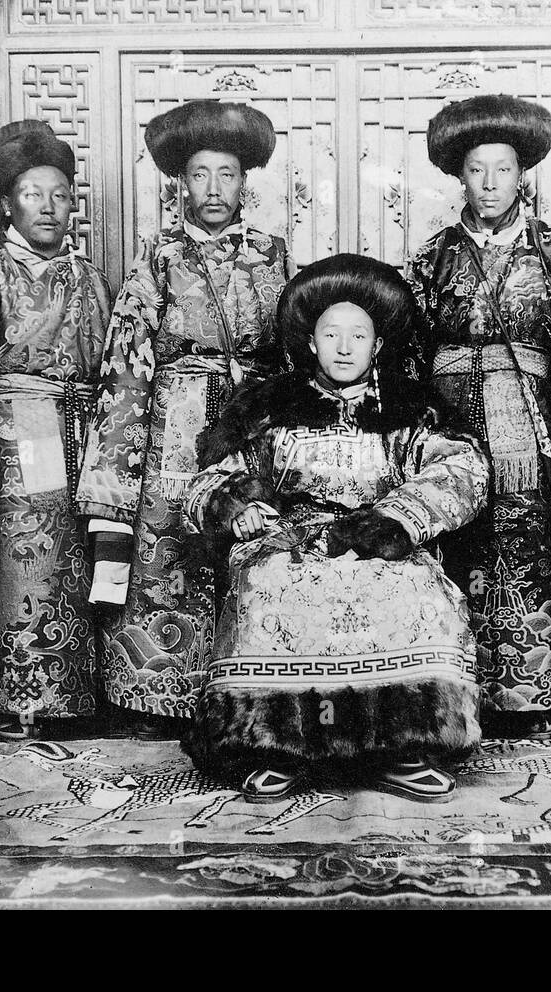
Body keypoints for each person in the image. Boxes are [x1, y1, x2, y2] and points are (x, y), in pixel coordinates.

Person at [181, 254, 488, 802]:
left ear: (378, 343)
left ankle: (403, 746)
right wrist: (238, 507)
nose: (345, 348)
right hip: (293, 538)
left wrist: (395, 520)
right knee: (270, 584)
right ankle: (272, 745)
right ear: (310, 341)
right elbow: (213, 476)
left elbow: (463, 468)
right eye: (331, 334)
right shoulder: (269, 404)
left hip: (381, 537)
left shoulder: (411, 405)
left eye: (359, 335)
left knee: (413, 588)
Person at [77, 100, 290, 737]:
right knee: (171, 548)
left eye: (227, 174)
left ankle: (251, 693)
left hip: (252, 414)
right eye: (200, 175)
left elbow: (291, 347)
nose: (215, 189)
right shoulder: (157, 260)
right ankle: (159, 694)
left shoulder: (274, 255)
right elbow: (127, 363)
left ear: (245, 183)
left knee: (254, 538)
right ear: (180, 185)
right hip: (176, 419)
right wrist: (112, 477)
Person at [406, 94, 551, 738]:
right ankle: (450, 694)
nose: (491, 183)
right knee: (451, 545)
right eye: (477, 169)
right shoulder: (432, 255)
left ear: (523, 174)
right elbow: (410, 353)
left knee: (525, 543)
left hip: (527, 422)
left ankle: (533, 696)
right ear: (459, 175)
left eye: (503, 168)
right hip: (449, 420)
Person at [0, 119, 114, 739]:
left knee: (80, 556)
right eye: (33, 193)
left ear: (74, 204)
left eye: (60, 193)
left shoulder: (90, 280)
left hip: (82, 431)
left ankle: (75, 693)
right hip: (17, 435)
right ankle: (18, 696)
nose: (48, 206)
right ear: (9, 203)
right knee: (25, 556)